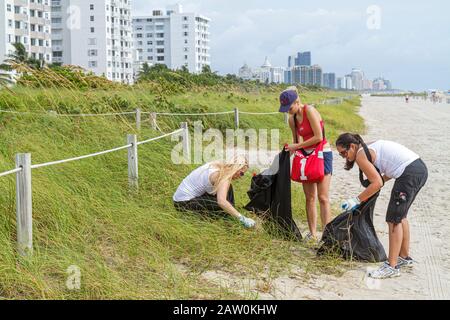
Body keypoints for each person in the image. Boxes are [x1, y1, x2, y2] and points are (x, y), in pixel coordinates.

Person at [336, 133, 428, 279]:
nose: (344, 157)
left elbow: (377, 183)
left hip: (409, 174)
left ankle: (392, 267)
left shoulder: (360, 155)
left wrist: (356, 200)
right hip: (418, 168)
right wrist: (370, 191)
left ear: (352, 146)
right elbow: (386, 173)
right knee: (400, 216)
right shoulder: (366, 147)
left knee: (393, 219)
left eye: (343, 153)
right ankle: (403, 257)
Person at [279, 87, 333, 242]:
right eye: (285, 109)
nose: (288, 112)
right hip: (306, 157)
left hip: (323, 153)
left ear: (297, 102)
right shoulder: (292, 120)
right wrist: (284, 154)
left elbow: (318, 137)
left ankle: (327, 235)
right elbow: (296, 143)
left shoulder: (309, 110)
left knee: (323, 197)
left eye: (289, 108)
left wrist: (296, 147)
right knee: (309, 198)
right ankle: (312, 233)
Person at [173, 157, 256, 228]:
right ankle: (231, 217)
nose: (241, 177)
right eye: (241, 173)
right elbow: (222, 202)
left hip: (180, 197)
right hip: (183, 204)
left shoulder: (217, 165)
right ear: (236, 168)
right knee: (223, 207)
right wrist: (242, 218)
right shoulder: (222, 177)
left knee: (228, 189)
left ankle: (230, 215)